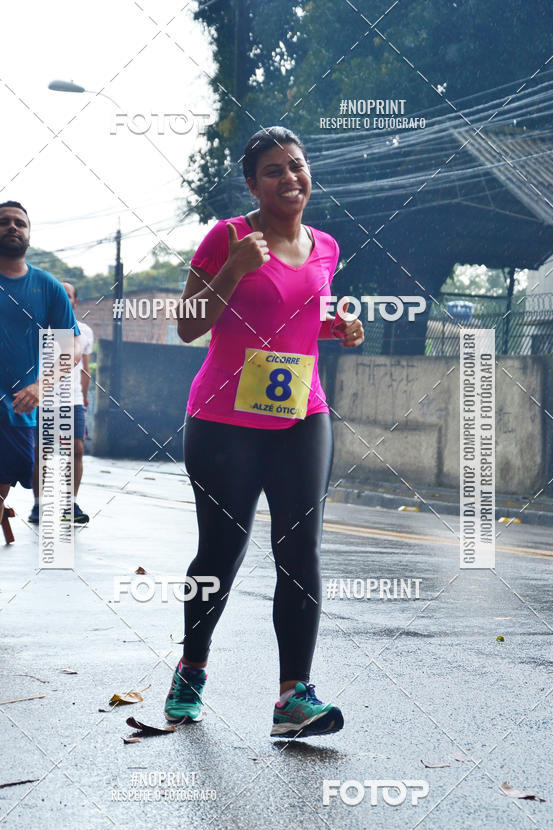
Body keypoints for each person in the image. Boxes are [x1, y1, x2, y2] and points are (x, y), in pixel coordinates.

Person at [164, 127, 365, 738]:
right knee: (221, 554)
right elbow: (188, 327)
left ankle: (292, 698)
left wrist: (341, 329)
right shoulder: (226, 238)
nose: (289, 178)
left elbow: (300, 320)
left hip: (303, 414)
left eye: (296, 167)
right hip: (224, 419)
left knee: (300, 551)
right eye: (273, 170)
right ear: (253, 184)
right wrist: (232, 271)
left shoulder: (325, 245)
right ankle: (192, 669)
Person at [0, 201, 81, 607]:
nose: (12, 227)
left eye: (20, 223)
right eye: (4, 222)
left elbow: (71, 349)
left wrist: (41, 385)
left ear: (28, 234)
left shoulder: (47, 287)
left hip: (19, 411)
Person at [29, 282, 94, 526]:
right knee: (42, 452)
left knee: (76, 449)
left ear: (75, 301)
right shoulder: (38, 328)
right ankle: (40, 505)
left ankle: (70, 504)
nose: (64, 299)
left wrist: (85, 399)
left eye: (68, 296)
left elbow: (85, 369)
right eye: (60, 295)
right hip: (41, 397)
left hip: (73, 399)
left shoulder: (84, 331)